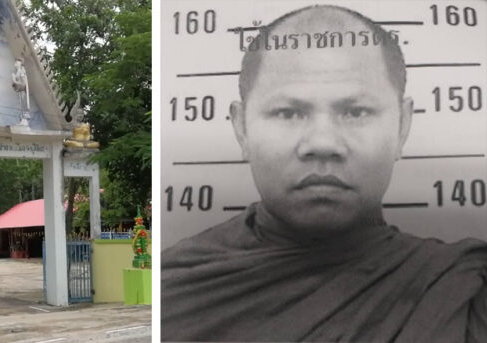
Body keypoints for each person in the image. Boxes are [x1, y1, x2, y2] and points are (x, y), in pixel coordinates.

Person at [161, 5, 487, 342]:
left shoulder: (462, 290)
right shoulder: (176, 286)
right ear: (241, 128)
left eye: (356, 111)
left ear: (402, 126)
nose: (322, 143)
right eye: (288, 113)